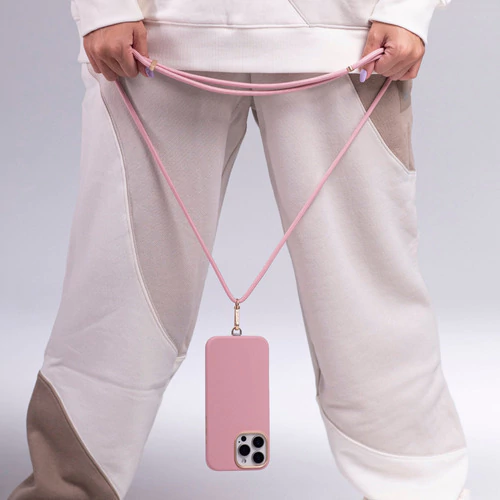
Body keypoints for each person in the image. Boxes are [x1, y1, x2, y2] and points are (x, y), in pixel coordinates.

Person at [8, 1, 471, 499]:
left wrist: (407, 8)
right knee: (115, 302)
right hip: (153, 45)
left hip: (351, 47)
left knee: (372, 309)